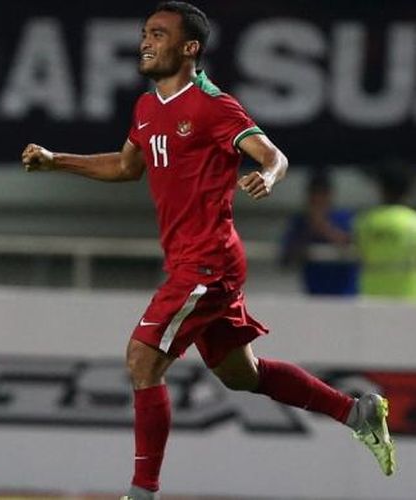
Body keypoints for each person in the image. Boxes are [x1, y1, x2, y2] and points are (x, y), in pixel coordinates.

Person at [21, 2, 395, 498]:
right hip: (190, 260)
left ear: (189, 47)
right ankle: (355, 411)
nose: (146, 42)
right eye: (145, 33)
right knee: (244, 377)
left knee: (142, 359)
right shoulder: (147, 107)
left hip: (208, 259)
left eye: (158, 34)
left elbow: (272, 154)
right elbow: (127, 167)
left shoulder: (212, 104)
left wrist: (265, 175)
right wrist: (56, 162)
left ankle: (142, 492)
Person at [280, 169, 358, 295]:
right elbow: (286, 260)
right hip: (314, 294)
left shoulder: (344, 217)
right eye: (314, 193)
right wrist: (307, 232)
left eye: (322, 193)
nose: (318, 199)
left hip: (344, 293)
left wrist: (323, 227)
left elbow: (351, 245)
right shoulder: (300, 222)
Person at [355, 165, 416, 301]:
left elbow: (358, 251)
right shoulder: (413, 222)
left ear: (381, 189)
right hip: (408, 297)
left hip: (371, 296)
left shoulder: (365, 222)